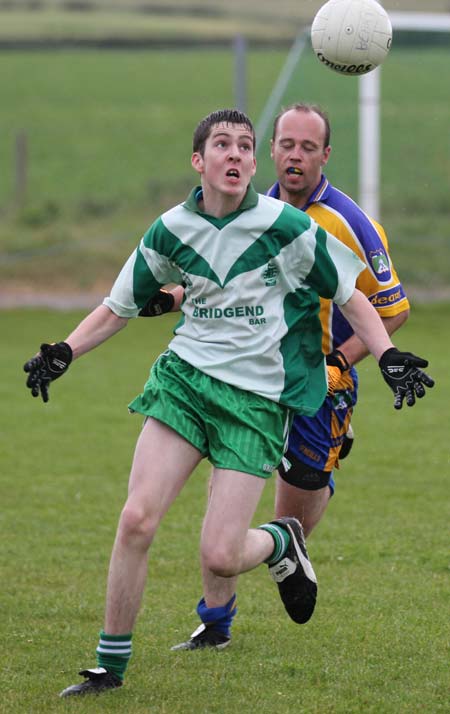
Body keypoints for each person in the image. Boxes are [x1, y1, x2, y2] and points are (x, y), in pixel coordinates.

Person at [23, 108, 433, 697]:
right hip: (184, 384)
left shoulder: (288, 227)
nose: (236, 154)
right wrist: (65, 350)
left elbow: (351, 293)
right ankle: (108, 666)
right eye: (223, 144)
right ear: (200, 161)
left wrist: (387, 355)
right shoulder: (169, 230)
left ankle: (281, 540)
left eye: (244, 145)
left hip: (255, 402)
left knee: (220, 555)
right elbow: (121, 305)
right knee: (137, 518)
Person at [143, 103, 414, 651]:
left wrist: (342, 361)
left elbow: (392, 310)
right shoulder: (251, 207)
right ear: (272, 148)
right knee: (225, 500)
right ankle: (215, 626)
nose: (295, 156)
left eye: (307, 148)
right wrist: (168, 298)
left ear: (325, 155)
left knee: (291, 522)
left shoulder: (350, 221)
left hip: (319, 389)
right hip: (250, 381)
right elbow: (212, 280)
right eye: (287, 144)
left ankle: (314, 484)